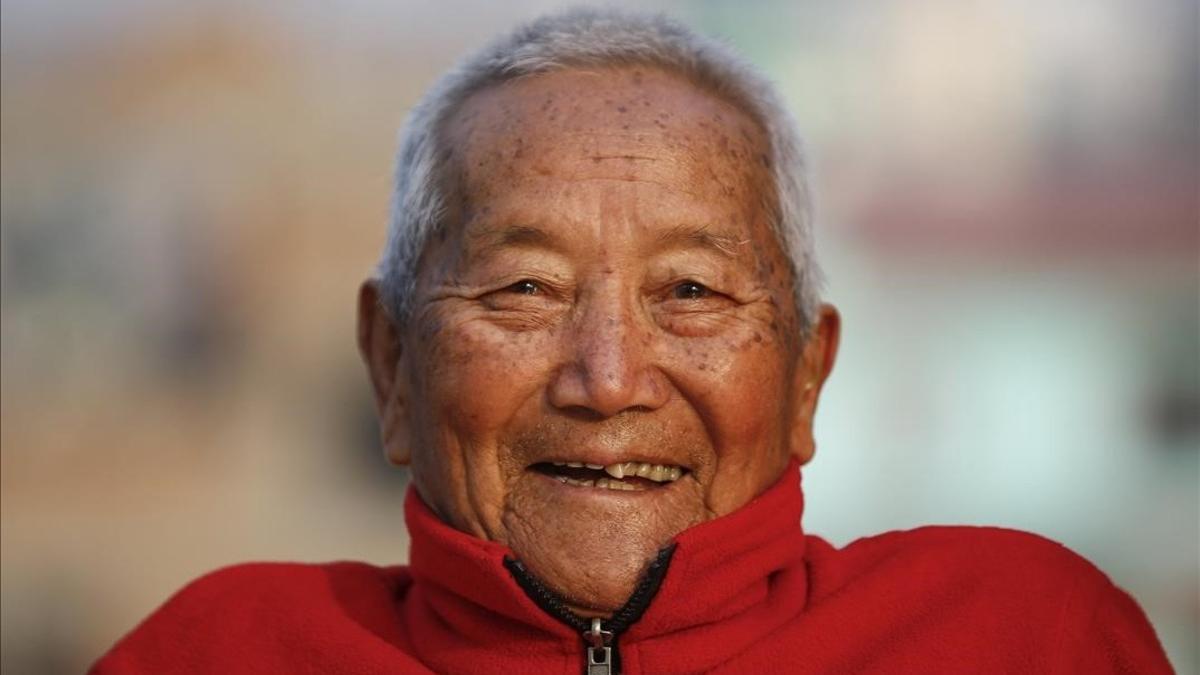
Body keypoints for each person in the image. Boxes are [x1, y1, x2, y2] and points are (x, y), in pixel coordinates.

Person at [91, 8, 1173, 674]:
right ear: (391, 366)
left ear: (807, 376)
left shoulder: (1020, 636)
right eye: (524, 287)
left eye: (691, 291)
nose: (608, 381)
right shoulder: (217, 653)